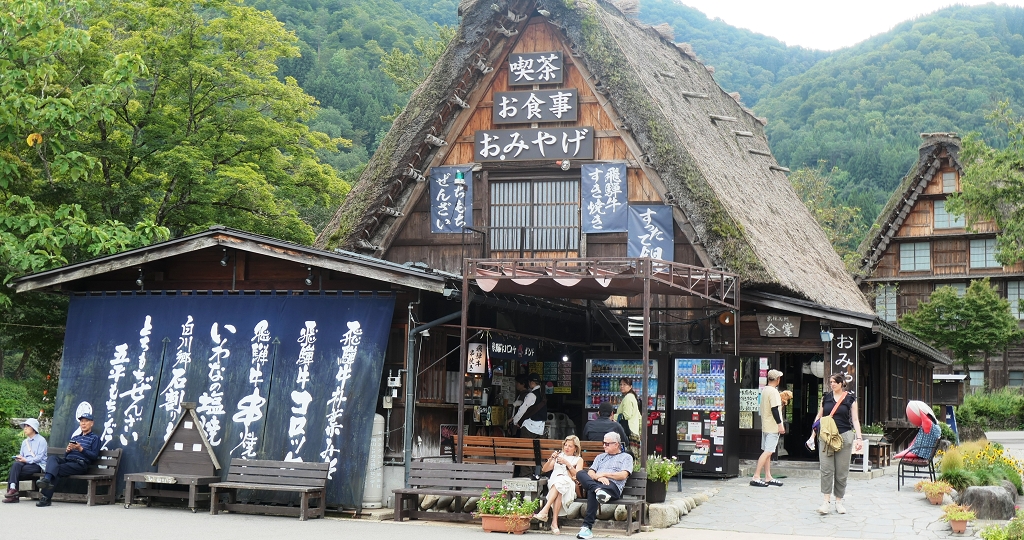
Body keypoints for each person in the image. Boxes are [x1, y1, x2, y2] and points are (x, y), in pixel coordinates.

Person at [813, 373, 863, 515]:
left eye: (835, 382)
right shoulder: (826, 398)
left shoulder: (850, 399)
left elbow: (855, 420)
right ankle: (826, 502)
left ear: (842, 383)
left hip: (844, 436)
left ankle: (839, 501)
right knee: (826, 470)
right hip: (826, 436)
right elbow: (819, 416)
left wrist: (859, 438)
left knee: (841, 471)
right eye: (831, 382)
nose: (832, 384)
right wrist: (813, 433)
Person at [35, 412, 101, 507]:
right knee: (53, 458)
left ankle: (46, 495)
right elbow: (66, 456)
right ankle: (47, 482)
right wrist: (68, 450)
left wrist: (81, 449)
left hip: (80, 464)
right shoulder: (75, 437)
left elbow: (94, 456)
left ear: (92, 423)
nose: (83, 423)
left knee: (56, 469)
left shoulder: (95, 438)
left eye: (86, 421)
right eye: (82, 421)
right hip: (68, 461)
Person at [575, 432, 633, 540]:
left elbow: (623, 475)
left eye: (607, 444)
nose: (604, 446)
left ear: (616, 444)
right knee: (580, 473)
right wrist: (598, 478)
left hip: (613, 486)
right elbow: (591, 472)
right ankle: (597, 491)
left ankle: (587, 527)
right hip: (597, 484)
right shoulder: (600, 457)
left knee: (591, 490)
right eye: (603, 443)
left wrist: (604, 474)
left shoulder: (626, 457)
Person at [533, 435, 585, 534]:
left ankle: (546, 511)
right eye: (565, 445)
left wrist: (567, 463)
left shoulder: (578, 459)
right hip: (554, 482)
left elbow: (578, 475)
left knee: (562, 484)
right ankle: (553, 522)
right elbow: (544, 470)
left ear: (576, 448)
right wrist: (551, 459)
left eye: (570, 446)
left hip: (569, 485)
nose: (567, 448)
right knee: (560, 485)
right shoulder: (558, 456)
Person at [751, 369, 785, 487]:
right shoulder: (774, 392)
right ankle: (756, 476)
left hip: (765, 425)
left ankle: (768, 476)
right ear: (777, 379)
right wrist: (780, 424)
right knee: (768, 451)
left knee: (767, 452)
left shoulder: (765, 390)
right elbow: (774, 409)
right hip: (772, 426)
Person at [3, 418, 47, 503]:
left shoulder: (41, 440)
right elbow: (22, 455)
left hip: (37, 465)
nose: (25, 428)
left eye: (27, 426)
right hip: (25, 464)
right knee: (16, 465)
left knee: (14, 472)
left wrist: (25, 460)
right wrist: (19, 457)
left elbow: (39, 458)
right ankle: (13, 489)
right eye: (24, 426)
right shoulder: (24, 442)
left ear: (33, 428)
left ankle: (12, 494)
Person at [510, 373, 546, 439]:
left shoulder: (531, 395)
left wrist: (515, 421)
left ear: (531, 382)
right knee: (537, 448)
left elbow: (523, 409)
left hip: (529, 427)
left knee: (526, 448)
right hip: (540, 428)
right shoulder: (542, 394)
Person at [616, 378, 641, 456]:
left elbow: (626, 415)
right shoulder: (632, 397)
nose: (622, 386)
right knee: (634, 457)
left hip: (628, 430)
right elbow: (639, 416)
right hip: (634, 430)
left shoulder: (628, 398)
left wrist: (614, 416)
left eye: (624, 384)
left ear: (630, 386)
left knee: (628, 456)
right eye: (620, 384)